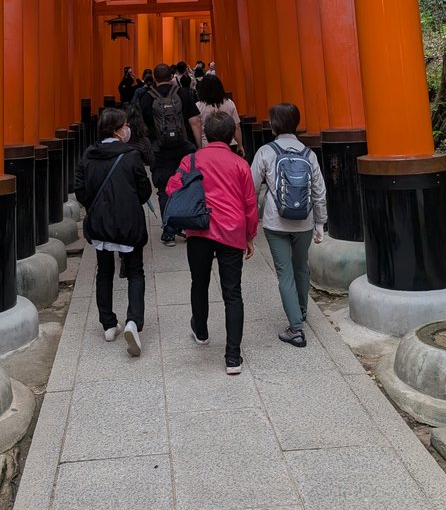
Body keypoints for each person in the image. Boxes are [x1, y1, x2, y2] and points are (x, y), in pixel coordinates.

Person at [166, 111, 258, 375]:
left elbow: (173, 189)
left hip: (200, 230)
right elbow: (250, 204)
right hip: (231, 232)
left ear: (205, 133)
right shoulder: (240, 163)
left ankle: (202, 331)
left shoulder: (191, 159)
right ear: (231, 135)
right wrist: (249, 236)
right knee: (233, 293)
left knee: (200, 282)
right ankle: (232, 357)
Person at [74, 108, 152, 356]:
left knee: (104, 272)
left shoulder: (88, 155)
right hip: (128, 224)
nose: (128, 128)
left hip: (100, 225)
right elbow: (144, 190)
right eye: (126, 124)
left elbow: (80, 190)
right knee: (135, 271)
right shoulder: (130, 156)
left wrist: (96, 209)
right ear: (119, 129)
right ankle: (133, 321)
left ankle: (108, 324)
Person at [250, 103, 327, 349]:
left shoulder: (266, 151)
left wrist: (250, 220)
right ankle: (301, 311)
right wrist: (320, 223)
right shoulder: (309, 153)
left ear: (274, 124)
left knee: (284, 272)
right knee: (301, 267)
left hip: (276, 221)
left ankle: (296, 328)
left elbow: (251, 187)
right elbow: (319, 192)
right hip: (304, 221)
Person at [139, 62, 202, 246]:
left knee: (164, 189)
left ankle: (169, 231)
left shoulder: (146, 98)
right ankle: (188, 225)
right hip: (184, 149)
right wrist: (198, 146)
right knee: (187, 185)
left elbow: (141, 127)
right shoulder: (183, 94)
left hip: (159, 151)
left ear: (155, 78)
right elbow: (195, 121)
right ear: (170, 75)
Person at [196, 73, 242, 150]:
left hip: (207, 145)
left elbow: (198, 130)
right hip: (230, 144)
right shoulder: (229, 103)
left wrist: (199, 148)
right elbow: (236, 127)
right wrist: (240, 145)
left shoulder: (198, 106)